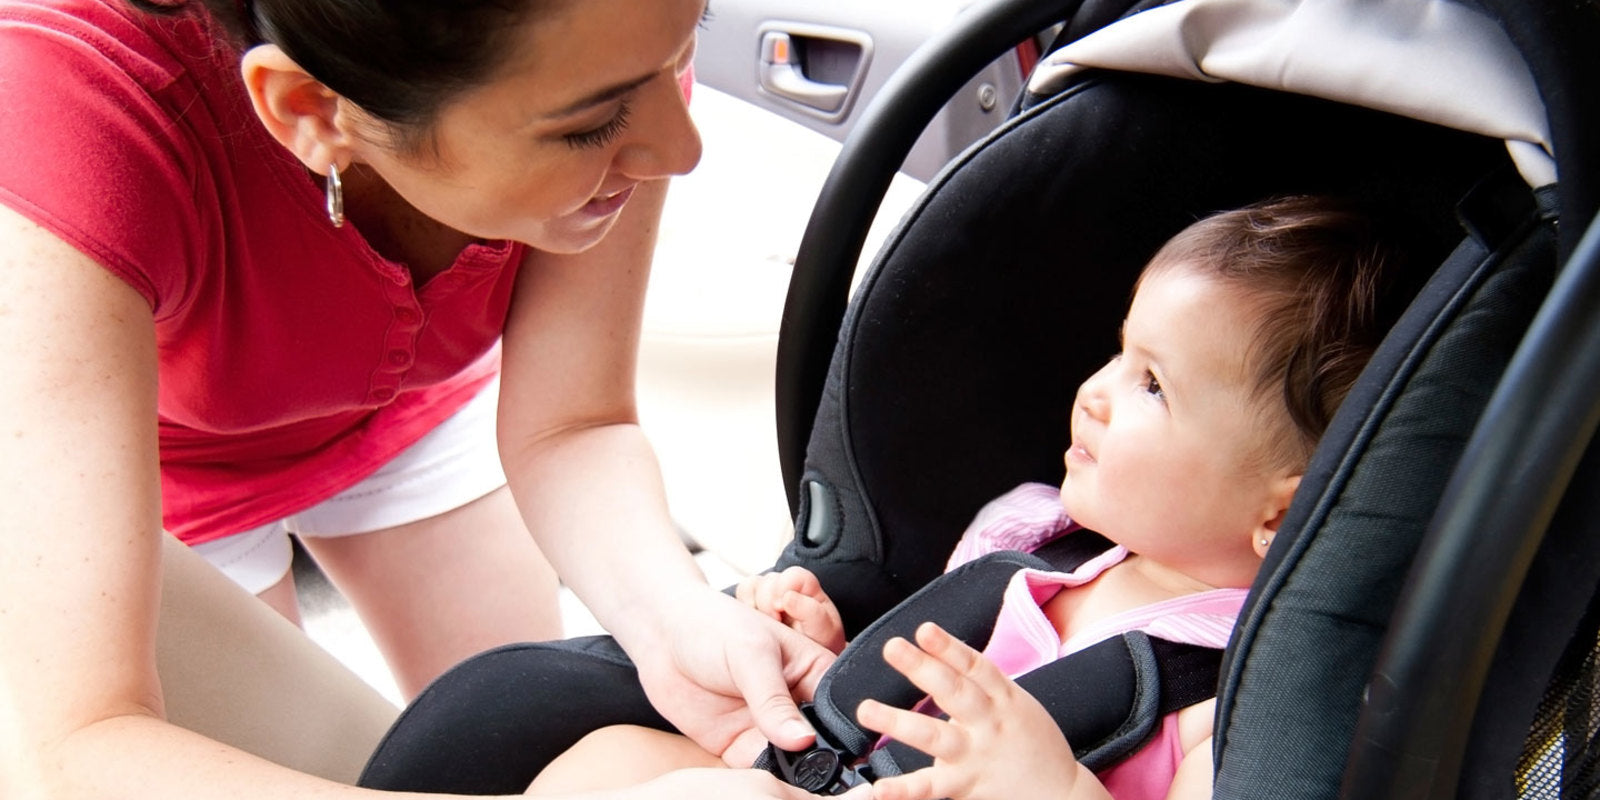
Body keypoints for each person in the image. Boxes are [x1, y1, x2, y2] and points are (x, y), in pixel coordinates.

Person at [0, 0, 842, 797]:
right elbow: (75, 749)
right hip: (153, 471)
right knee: (295, 757)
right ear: (314, 111)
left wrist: (675, 618)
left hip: (405, 408)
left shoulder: (605, 44)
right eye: (591, 123)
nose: (680, 146)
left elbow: (572, 425)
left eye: (684, 45)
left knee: (510, 717)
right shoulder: (66, 122)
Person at [522, 196, 1419, 800]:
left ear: (1282, 514)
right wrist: (834, 658)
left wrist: (1057, 789)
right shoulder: (1031, 544)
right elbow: (905, 715)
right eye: (1118, 351)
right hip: (829, 777)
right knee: (605, 761)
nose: (1095, 391)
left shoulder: (1232, 695)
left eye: (1153, 387)